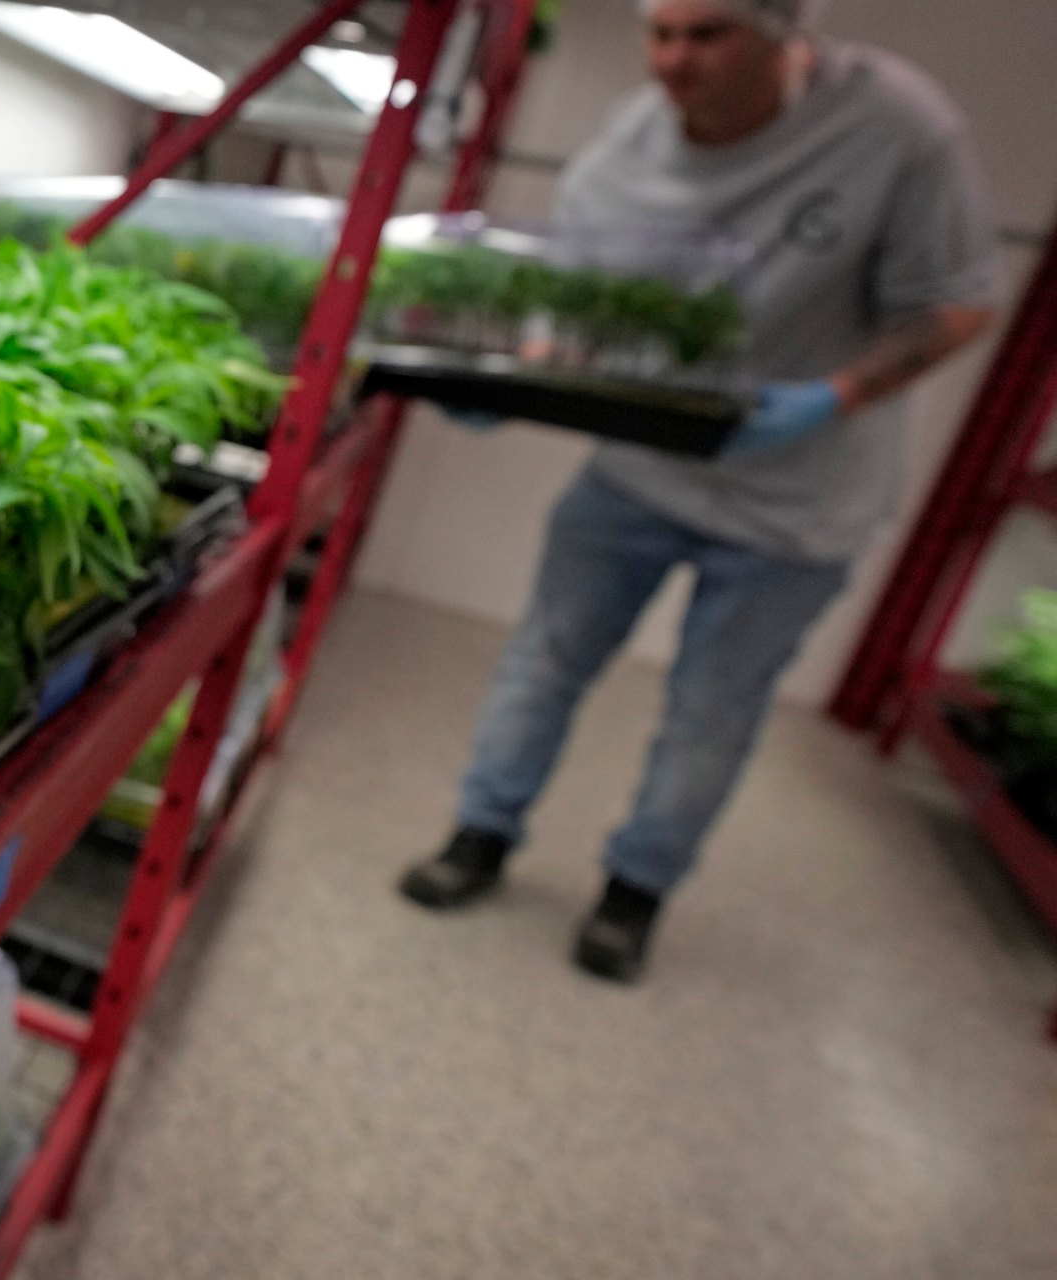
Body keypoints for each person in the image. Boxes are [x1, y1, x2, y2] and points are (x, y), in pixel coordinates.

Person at [399, 0, 1002, 983]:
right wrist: (500, 378)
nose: (673, 61)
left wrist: (830, 396)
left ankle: (634, 890)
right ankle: (479, 833)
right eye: (659, 33)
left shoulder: (893, 124)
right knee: (545, 658)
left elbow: (959, 301)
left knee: (712, 710)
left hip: (798, 502)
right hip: (639, 469)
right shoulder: (622, 153)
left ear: (783, 33)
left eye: (708, 34)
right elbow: (574, 311)